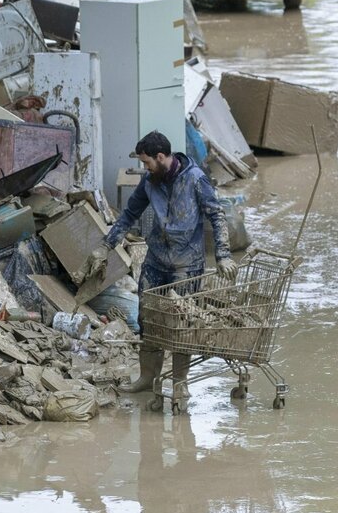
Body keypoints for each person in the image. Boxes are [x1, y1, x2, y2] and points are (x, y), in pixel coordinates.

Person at [86, 131, 235, 404]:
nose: (144, 168)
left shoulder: (195, 179)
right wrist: (105, 247)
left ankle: (180, 383)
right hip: (155, 260)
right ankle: (147, 378)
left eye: (147, 163)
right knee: (148, 318)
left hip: (187, 264)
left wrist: (223, 255)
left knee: (182, 321)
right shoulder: (150, 181)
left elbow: (217, 215)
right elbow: (130, 214)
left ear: (161, 157)